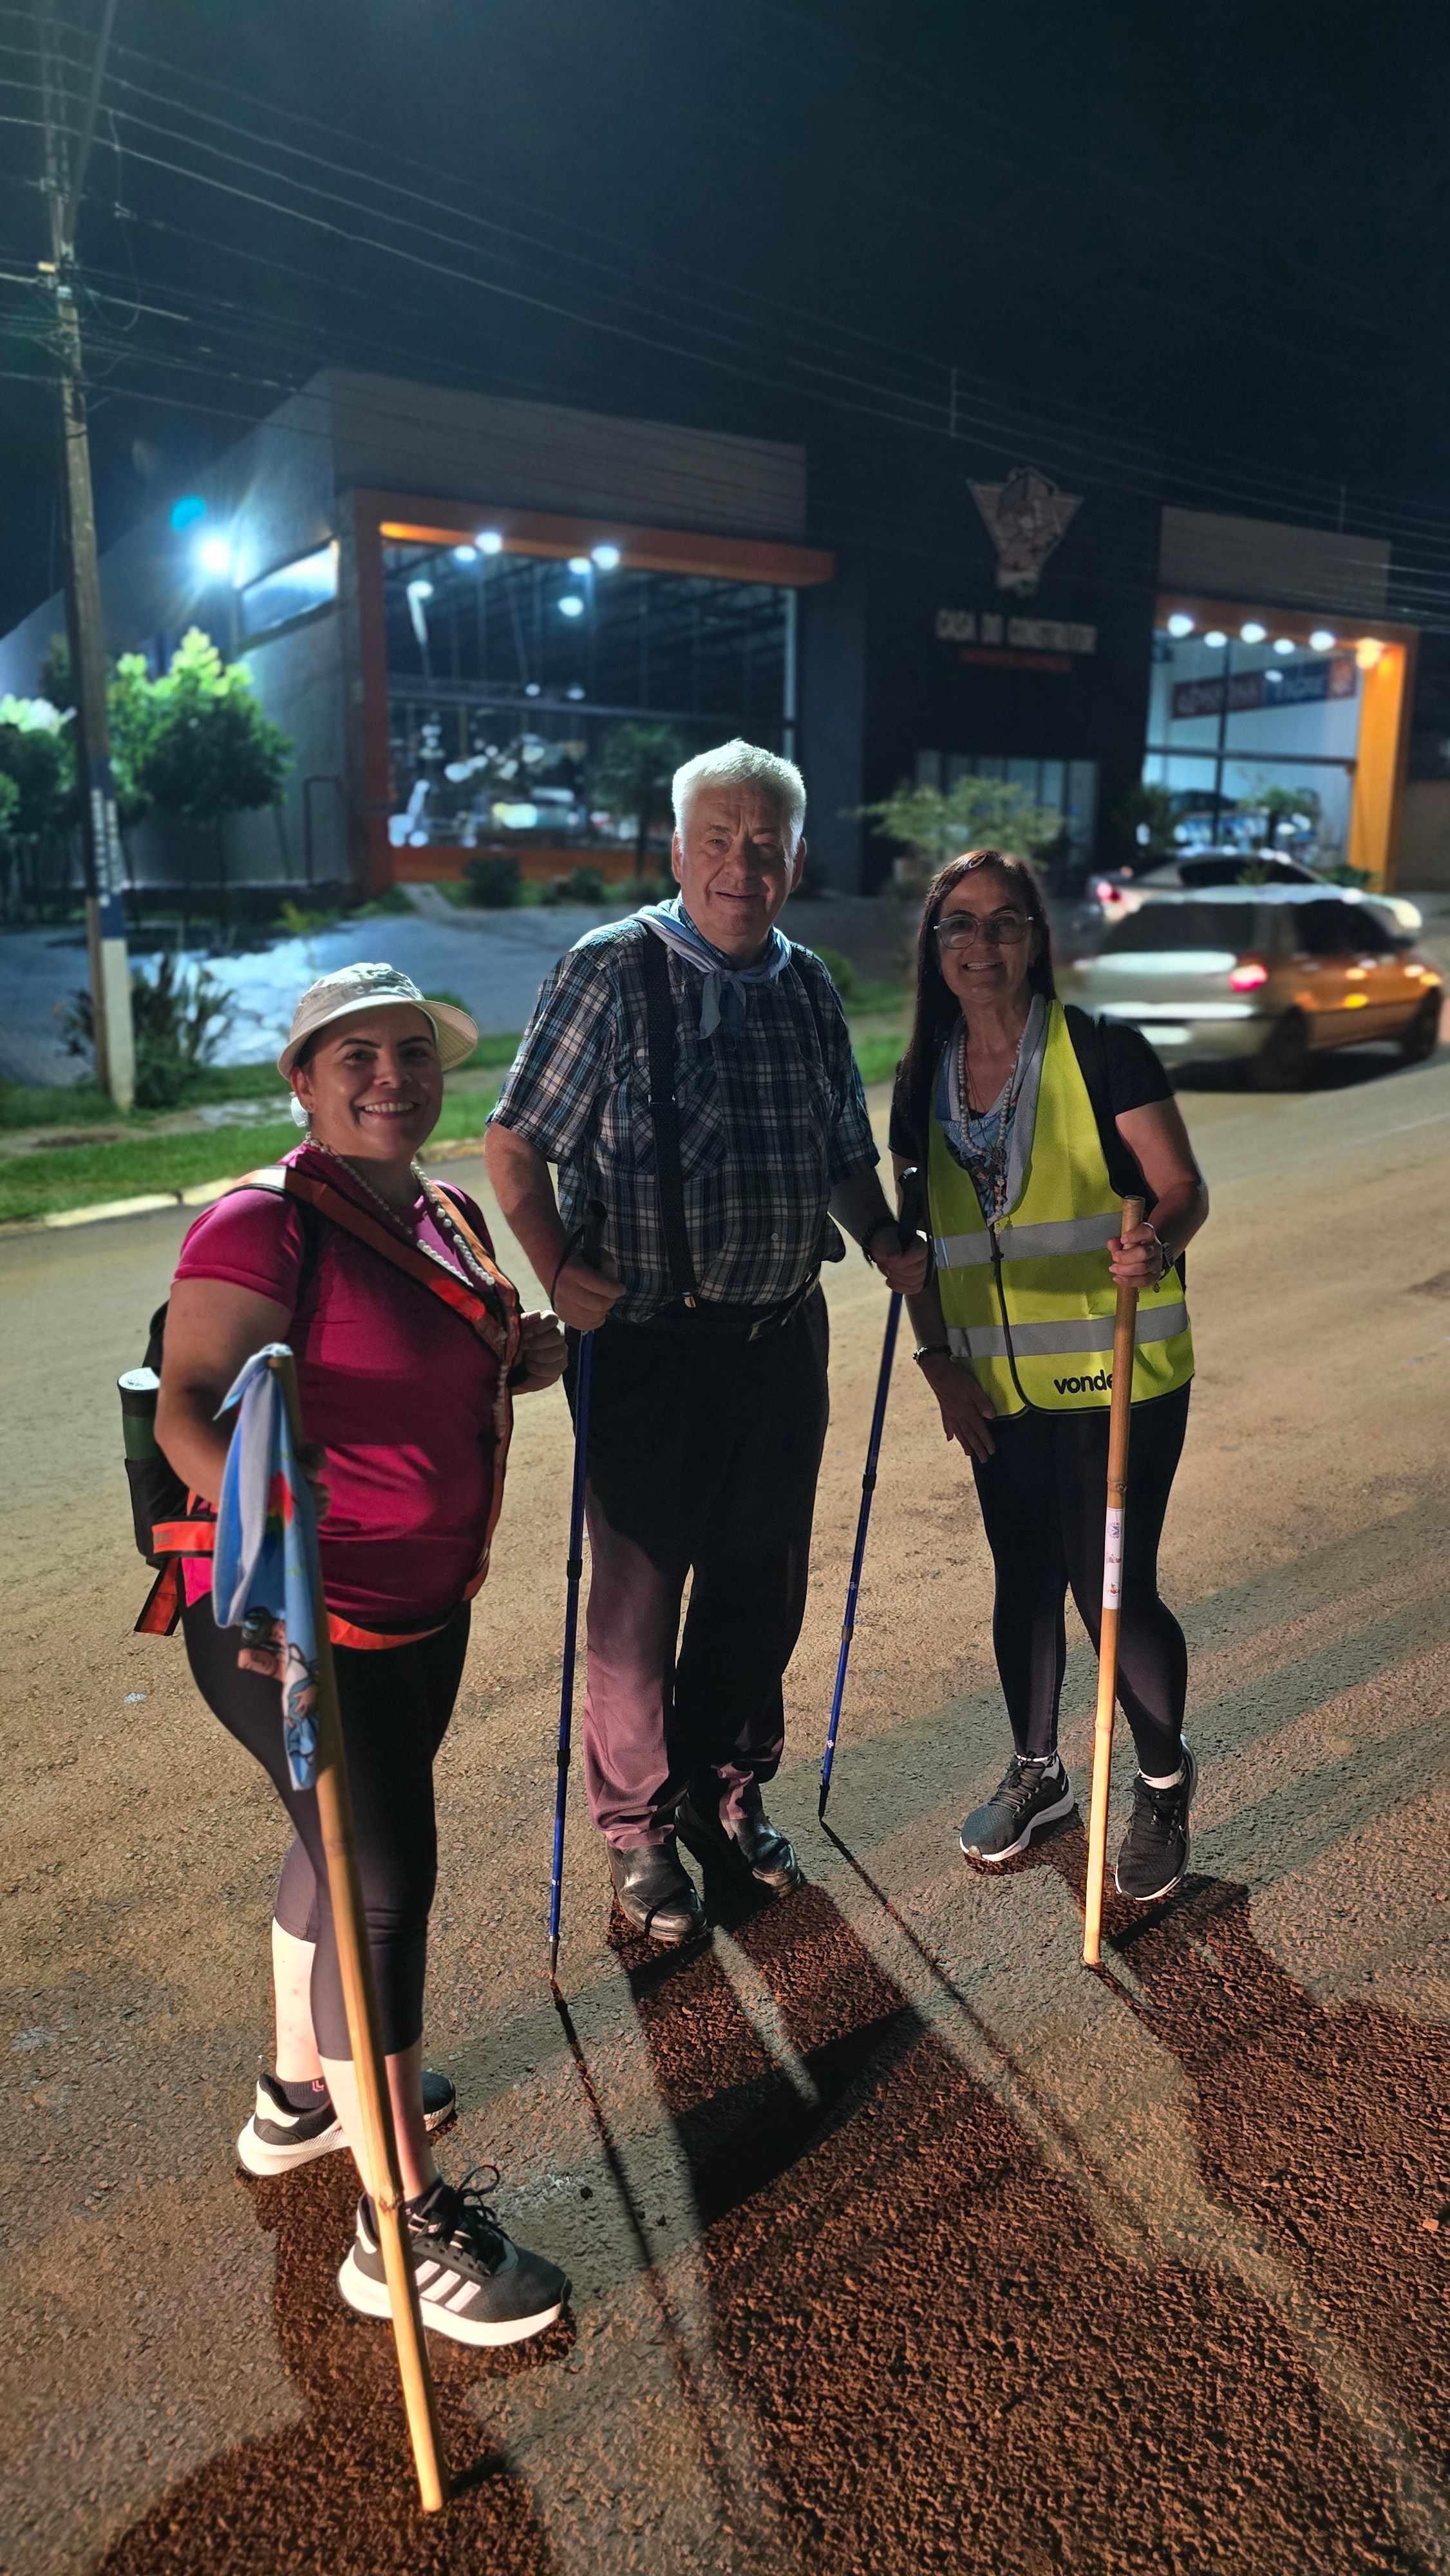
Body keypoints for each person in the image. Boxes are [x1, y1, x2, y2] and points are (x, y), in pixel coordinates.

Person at [155, 962, 572, 2347]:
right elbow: (191, 1411)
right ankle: (398, 2228)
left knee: (333, 1843)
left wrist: (515, 1353)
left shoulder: (443, 1212)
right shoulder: (262, 1226)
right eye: (357, 1055)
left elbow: (441, 1346)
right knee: (378, 1882)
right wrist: (276, 1555)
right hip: (294, 1620)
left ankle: (297, 2102)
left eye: (413, 1053)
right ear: (302, 1076)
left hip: (416, 1607)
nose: (389, 1076)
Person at [485, 741, 929, 1946]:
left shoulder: (808, 987)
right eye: (718, 842)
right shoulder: (610, 972)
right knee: (634, 1610)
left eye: (766, 845)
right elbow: (516, 1140)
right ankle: (637, 1828)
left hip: (782, 1339)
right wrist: (555, 1266)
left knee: (757, 1588)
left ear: (793, 860)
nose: (742, 865)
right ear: (678, 851)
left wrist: (882, 1233)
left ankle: (729, 1793)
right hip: (645, 1348)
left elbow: (841, 1147)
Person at [890, 852, 1209, 1899]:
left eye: (1005, 923)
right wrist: (939, 1364)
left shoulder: (1104, 1052)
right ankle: (1040, 1773)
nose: (980, 946)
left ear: (1037, 939)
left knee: (1107, 1585)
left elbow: (1180, 1190)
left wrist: (1156, 1243)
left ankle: (1160, 1781)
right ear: (935, 949)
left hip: (1118, 1379)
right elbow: (920, 1246)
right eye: (957, 927)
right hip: (997, 1387)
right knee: (1022, 1573)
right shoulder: (921, 1077)